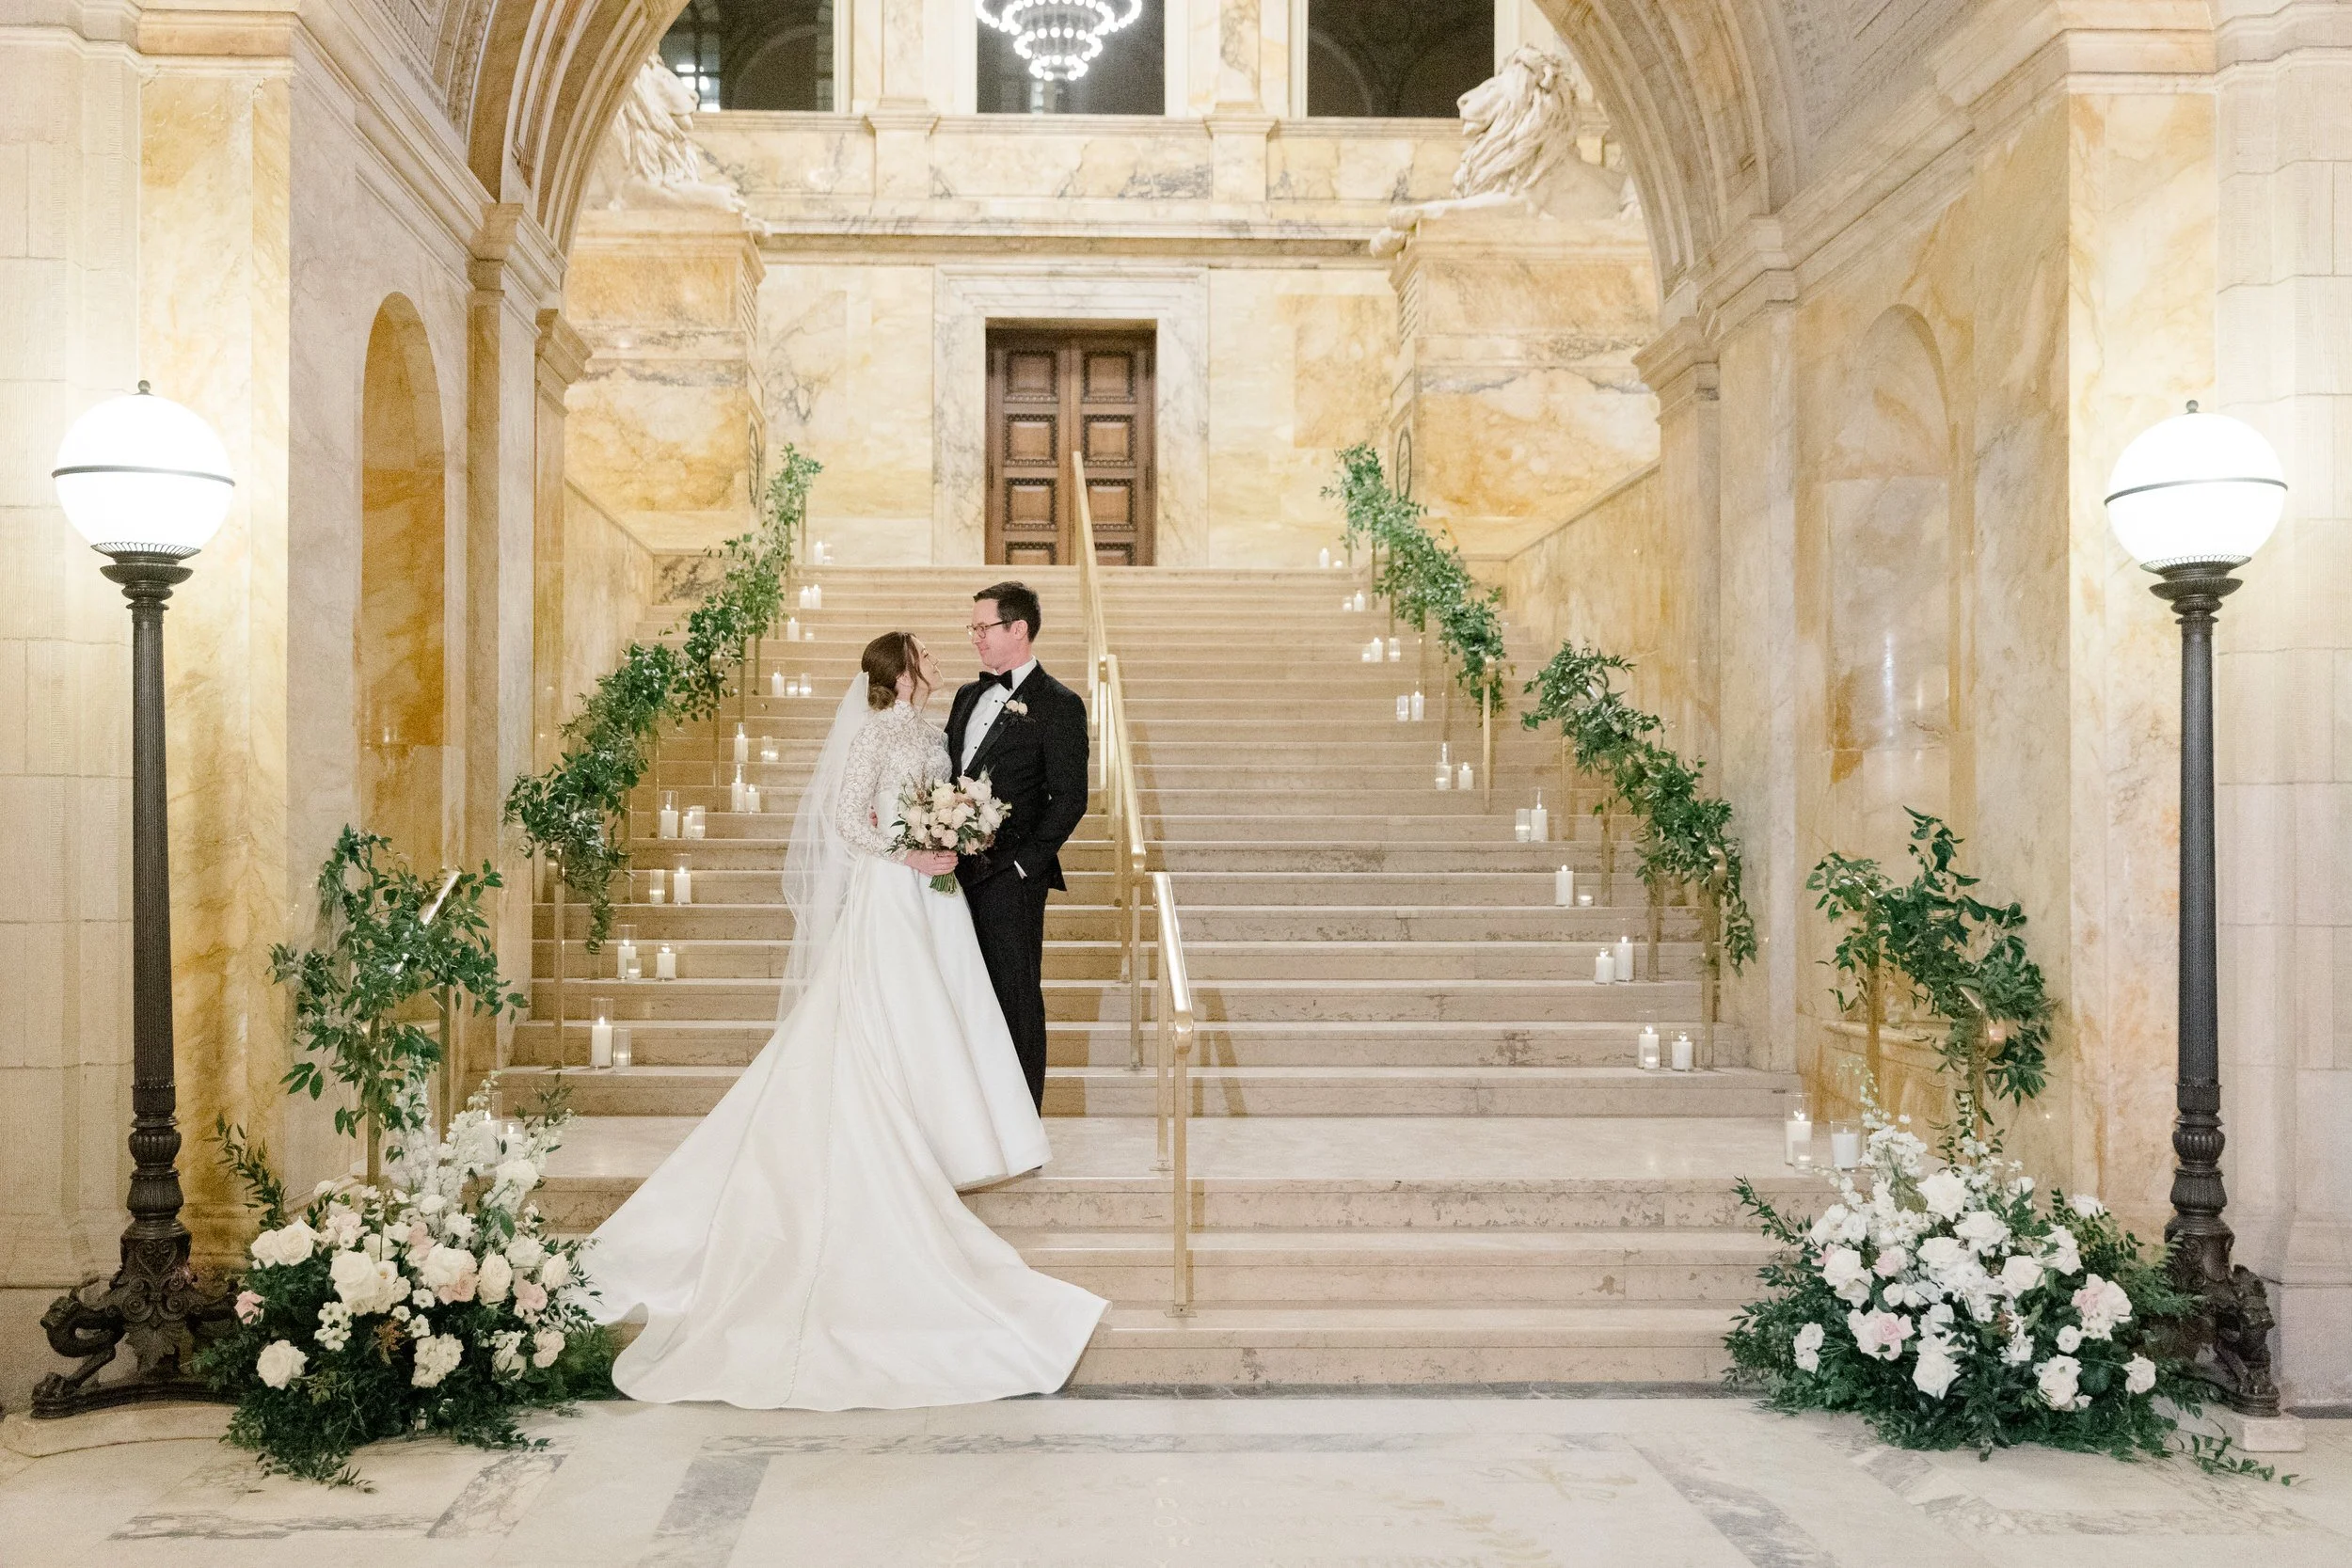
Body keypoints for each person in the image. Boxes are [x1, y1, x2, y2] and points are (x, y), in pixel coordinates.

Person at [585, 631, 1105, 1409]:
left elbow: (948, 799)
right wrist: (912, 853)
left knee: (945, 1017)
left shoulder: (936, 732)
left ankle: (945, 1132)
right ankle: (892, 1131)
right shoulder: (873, 733)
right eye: (924, 653)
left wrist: (958, 832)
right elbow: (844, 819)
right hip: (894, 895)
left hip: (939, 894)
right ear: (901, 674)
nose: (939, 658)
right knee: (892, 1017)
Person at [945, 582, 1091, 1109]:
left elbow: (1070, 798)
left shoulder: (1060, 705)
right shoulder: (966, 695)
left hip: (1011, 882)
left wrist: (1025, 867)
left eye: (982, 628)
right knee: (959, 994)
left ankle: (1023, 1117)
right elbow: (949, 773)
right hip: (950, 873)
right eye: (973, 628)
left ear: (1018, 629)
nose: (975, 638)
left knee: (1015, 997)